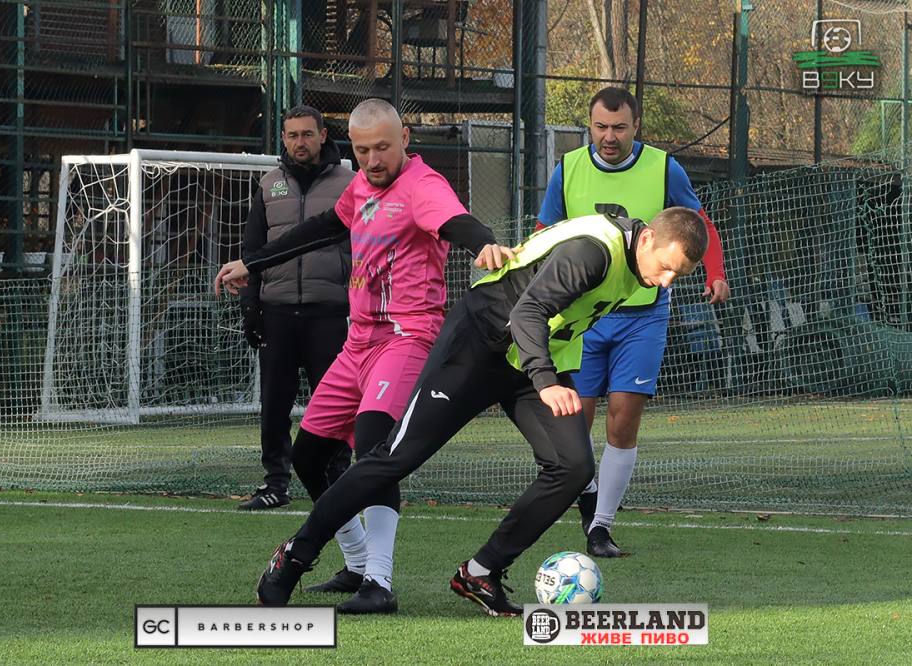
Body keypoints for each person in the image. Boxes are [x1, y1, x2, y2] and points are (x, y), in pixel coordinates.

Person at [254, 206, 709, 617]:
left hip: (526, 358)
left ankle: (480, 572)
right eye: (667, 267)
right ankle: (295, 555)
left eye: (680, 275)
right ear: (646, 238)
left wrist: (544, 374)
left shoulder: (636, 259)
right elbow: (528, 311)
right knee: (394, 458)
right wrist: (547, 381)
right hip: (477, 345)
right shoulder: (593, 252)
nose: (667, 281)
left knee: (572, 466)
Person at [216, 98, 510, 614]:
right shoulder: (360, 186)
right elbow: (323, 227)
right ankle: (355, 563)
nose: (373, 160)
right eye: (362, 150)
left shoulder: (422, 185)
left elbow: (456, 221)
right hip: (358, 342)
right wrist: (253, 263)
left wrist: (483, 243)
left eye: (382, 148)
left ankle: (379, 582)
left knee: (375, 450)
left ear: (405, 139)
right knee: (308, 456)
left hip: (406, 337)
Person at [537, 87, 731, 557]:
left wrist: (716, 272)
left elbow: (700, 223)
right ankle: (587, 498)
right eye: (601, 127)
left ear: (636, 126)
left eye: (619, 127)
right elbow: (545, 232)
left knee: (623, 418)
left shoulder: (664, 168)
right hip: (583, 316)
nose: (609, 136)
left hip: (643, 315)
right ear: (590, 125)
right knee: (573, 424)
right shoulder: (568, 168)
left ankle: (601, 528)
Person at [236, 105, 354, 512]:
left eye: (307, 134)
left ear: (323, 135)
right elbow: (253, 250)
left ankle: (338, 479)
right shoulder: (269, 184)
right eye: (292, 135)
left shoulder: (351, 183)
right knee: (274, 405)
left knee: (336, 403)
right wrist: (251, 303)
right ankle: (275, 484)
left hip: (330, 312)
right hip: (278, 312)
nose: (299, 142)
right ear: (283, 139)